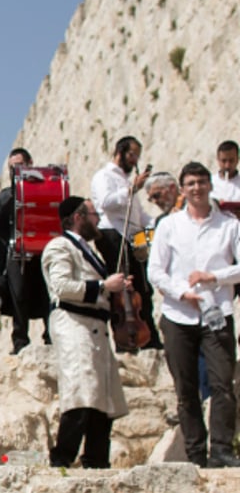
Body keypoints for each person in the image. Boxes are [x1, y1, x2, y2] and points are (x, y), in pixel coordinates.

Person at [147, 163, 240, 468]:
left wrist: (214, 277)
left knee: (223, 384)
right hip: (179, 315)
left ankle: (223, 450)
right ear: (182, 189)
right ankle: (195, 453)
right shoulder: (169, 226)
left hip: (218, 312)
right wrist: (181, 292)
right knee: (185, 389)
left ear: (210, 185)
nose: (197, 188)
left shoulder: (229, 225)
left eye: (202, 182)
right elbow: (155, 271)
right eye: (190, 183)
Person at [42, 197, 130, 468]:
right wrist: (104, 286)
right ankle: (62, 459)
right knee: (82, 391)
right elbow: (61, 286)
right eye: (93, 214)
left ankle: (96, 459)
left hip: (96, 328)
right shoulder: (59, 246)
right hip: (75, 323)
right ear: (78, 217)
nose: (98, 220)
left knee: (102, 397)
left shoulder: (90, 251)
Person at [90, 135, 161, 350]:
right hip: (113, 234)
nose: (135, 160)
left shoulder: (126, 180)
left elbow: (138, 215)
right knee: (120, 290)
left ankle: (148, 338)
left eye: (137, 156)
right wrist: (132, 189)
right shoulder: (104, 176)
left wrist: (159, 224)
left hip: (134, 236)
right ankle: (124, 340)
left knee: (142, 288)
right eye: (132, 155)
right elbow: (106, 202)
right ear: (120, 152)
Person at [0, 147, 51, 354]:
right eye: (12, 167)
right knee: (17, 294)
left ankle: (51, 338)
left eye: (20, 165)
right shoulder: (5, 196)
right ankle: (20, 342)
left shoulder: (44, 187)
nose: (16, 170)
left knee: (47, 293)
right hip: (16, 250)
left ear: (30, 164)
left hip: (41, 250)